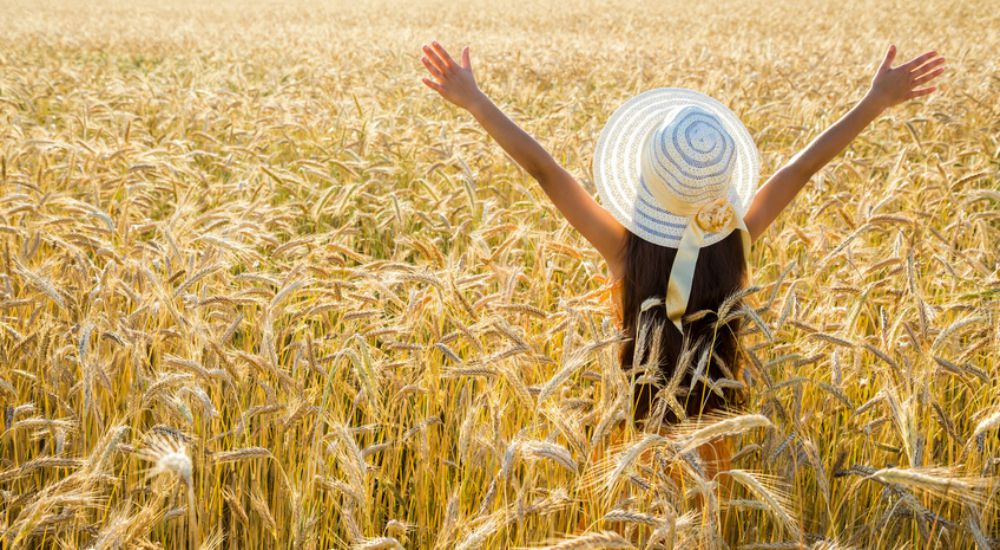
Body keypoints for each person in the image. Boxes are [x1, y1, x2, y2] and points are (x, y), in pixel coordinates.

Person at [418, 40, 944, 489]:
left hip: (636, 436)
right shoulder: (736, 241)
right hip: (715, 435)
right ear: (721, 187)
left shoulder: (622, 252)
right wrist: (875, 102)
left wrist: (476, 101)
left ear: (646, 180)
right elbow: (799, 170)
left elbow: (548, 174)